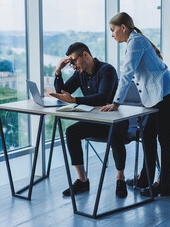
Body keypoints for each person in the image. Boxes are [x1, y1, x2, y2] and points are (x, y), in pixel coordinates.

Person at [100, 12, 170, 197]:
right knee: (147, 134)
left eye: (113, 30)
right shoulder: (133, 42)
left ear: (123, 28)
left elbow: (127, 73)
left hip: (167, 95)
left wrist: (115, 103)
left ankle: (164, 185)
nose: (111, 34)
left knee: (165, 141)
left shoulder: (135, 41)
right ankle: (145, 177)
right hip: (158, 97)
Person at [50, 42, 129, 198]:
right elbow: (62, 92)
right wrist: (58, 71)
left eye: (73, 61)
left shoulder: (107, 70)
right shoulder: (80, 73)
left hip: (116, 120)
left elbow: (103, 97)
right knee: (71, 132)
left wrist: (75, 100)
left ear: (85, 55)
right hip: (96, 121)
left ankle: (120, 178)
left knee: (115, 133)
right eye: (70, 63)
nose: (73, 66)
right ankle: (82, 180)